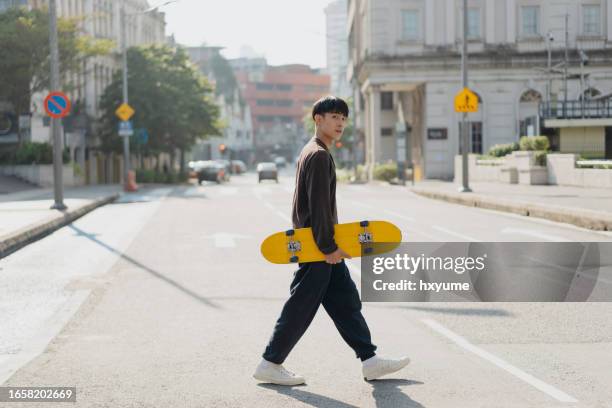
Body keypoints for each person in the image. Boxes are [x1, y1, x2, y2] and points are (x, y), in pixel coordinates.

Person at [253, 96, 410, 386]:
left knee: (345, 301)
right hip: (318, 247)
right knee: (300, 307)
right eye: (334, 116)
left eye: (343, 118)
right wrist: (328, 247)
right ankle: (270, 362)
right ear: (318, 119)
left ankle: (370, 359)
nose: (340, 123)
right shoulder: (319, 155)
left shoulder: (313, 151)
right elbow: (318, 207)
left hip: (317, 245)